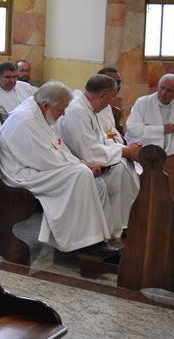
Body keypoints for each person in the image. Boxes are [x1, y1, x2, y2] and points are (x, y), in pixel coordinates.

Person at [0, 81, 114, 254]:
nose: (63, 113)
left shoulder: (41, 114)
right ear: (46, 105)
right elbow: (43, 159)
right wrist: (80, 165)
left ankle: (94, 236)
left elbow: (57, 147)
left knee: (97, 184)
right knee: (80, 174)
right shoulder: (25, 120)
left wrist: (81, 162)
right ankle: (87, 244)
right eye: (61, 109)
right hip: (20, 172)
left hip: (37, 166)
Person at [58, 75, 142, 239]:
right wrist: (125, 152)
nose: (112, 101)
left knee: (124, 164)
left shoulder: (88, 108)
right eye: (112, 96)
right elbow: (89, 153)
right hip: (78, 165)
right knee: (120, 168)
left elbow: (101, 141)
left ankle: (125, 223)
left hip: (92, 160)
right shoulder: (77, 111)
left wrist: (126, 149)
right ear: (103, 95)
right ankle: (117, 228)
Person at [126, 74, 174, 154]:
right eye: (162, 88)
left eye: (169, 90)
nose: (163, 93)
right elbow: (132, 129)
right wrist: (162, 129)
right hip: (144, 153)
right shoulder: (142, 103)